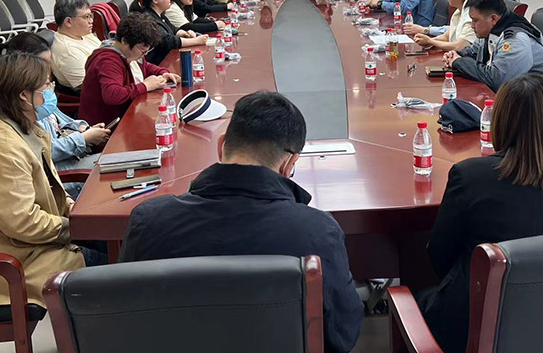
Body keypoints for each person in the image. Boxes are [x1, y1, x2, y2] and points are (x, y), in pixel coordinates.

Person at [119, 91, 363, 353]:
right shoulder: (318, 232)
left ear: (221, 145)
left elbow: (122, 318)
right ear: (289, 164)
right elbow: (342, 334)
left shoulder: (149, 222)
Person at [420, 74, 543, 353]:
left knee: (416, 295)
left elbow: (439, 259)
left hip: (478, 331)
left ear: (502, 122)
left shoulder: (471, 176)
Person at [0, 53, 101, 309]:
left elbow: (50, 186)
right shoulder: (2, 147)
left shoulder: (26, 129)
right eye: (46, 86)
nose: (50, 92)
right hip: (13, 263)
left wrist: (72, 209)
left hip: (34, 247)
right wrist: (74, 227)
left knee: (121, 244)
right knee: (119, 265)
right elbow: (22, 222)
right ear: (23, 95)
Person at [0, 33, 110, 199]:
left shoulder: (36, 100)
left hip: (66, 162)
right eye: (43, 64)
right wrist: (83, 139)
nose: (48, 72)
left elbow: (60, 121)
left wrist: (81, 128)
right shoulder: (23, 113)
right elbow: (43, 152)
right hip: (59, 173)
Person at [80, 13, 181, 127]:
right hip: (107, 126)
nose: (145, 54)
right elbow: (112, 95)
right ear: (125, 41)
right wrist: (145, 86)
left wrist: (162, 73)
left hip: (127, 114)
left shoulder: (129, 53)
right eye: (142, 51)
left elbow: (144, 66)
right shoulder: (108, 61)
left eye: (147, 51)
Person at [444, 0, 543, 91]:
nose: (472, 25)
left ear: (493, 19)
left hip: (533, 99)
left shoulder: (515, 39)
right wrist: (456, 54)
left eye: (475, 20)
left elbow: (498, 81)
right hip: (515, 94)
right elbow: (474, 51)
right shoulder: (491, 30)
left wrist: (459, 62)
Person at [134, 0, 207, 65]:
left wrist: (185, 33)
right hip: (158, 63)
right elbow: (168, 41)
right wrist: (196, 41)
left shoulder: (160, 15)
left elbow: (173, 29)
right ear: (155, 0)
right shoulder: (148, 19)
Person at [410, 0, 477, 52]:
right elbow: (446, 37)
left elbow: (460, 46)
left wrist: (430, 41)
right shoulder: (458, 12)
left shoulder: (471, 16)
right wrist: (428, 41)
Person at [51, 0, 100, 90]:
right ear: (68, 22)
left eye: (91, 16)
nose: (91, 21)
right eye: (86, 17)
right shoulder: (67, 51)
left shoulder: (84, 34)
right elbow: (93, 87)